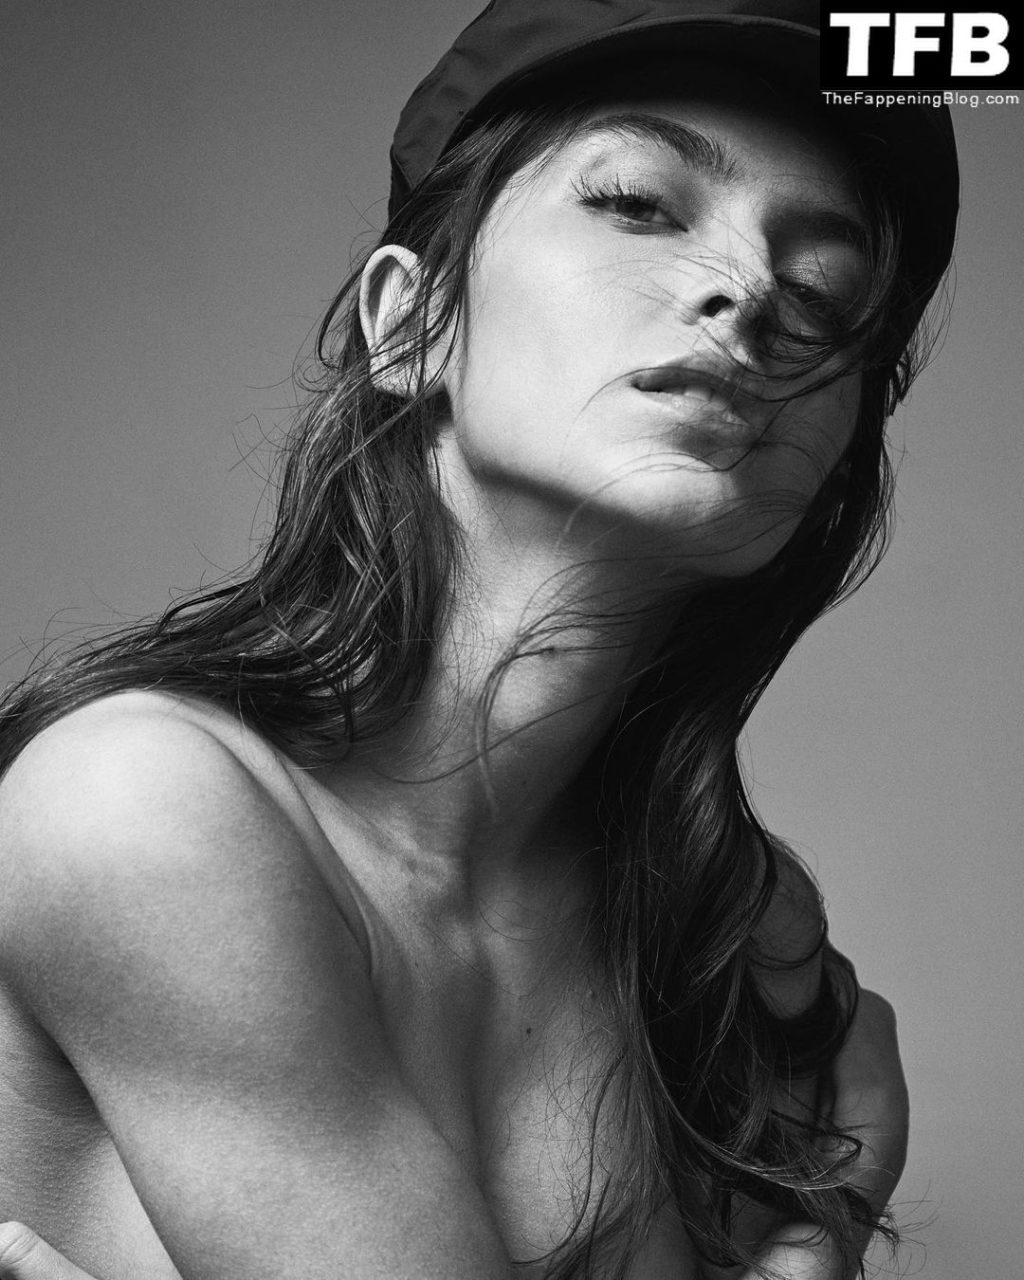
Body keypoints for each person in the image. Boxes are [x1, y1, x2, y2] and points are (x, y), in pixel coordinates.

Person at [0, 1, 957, 1277]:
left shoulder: (727, 932)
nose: (748, 294)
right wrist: (816, 1239)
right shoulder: (149, 804)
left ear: (833, 449)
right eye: (637, 203)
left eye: (826, 289)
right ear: (412, 320)